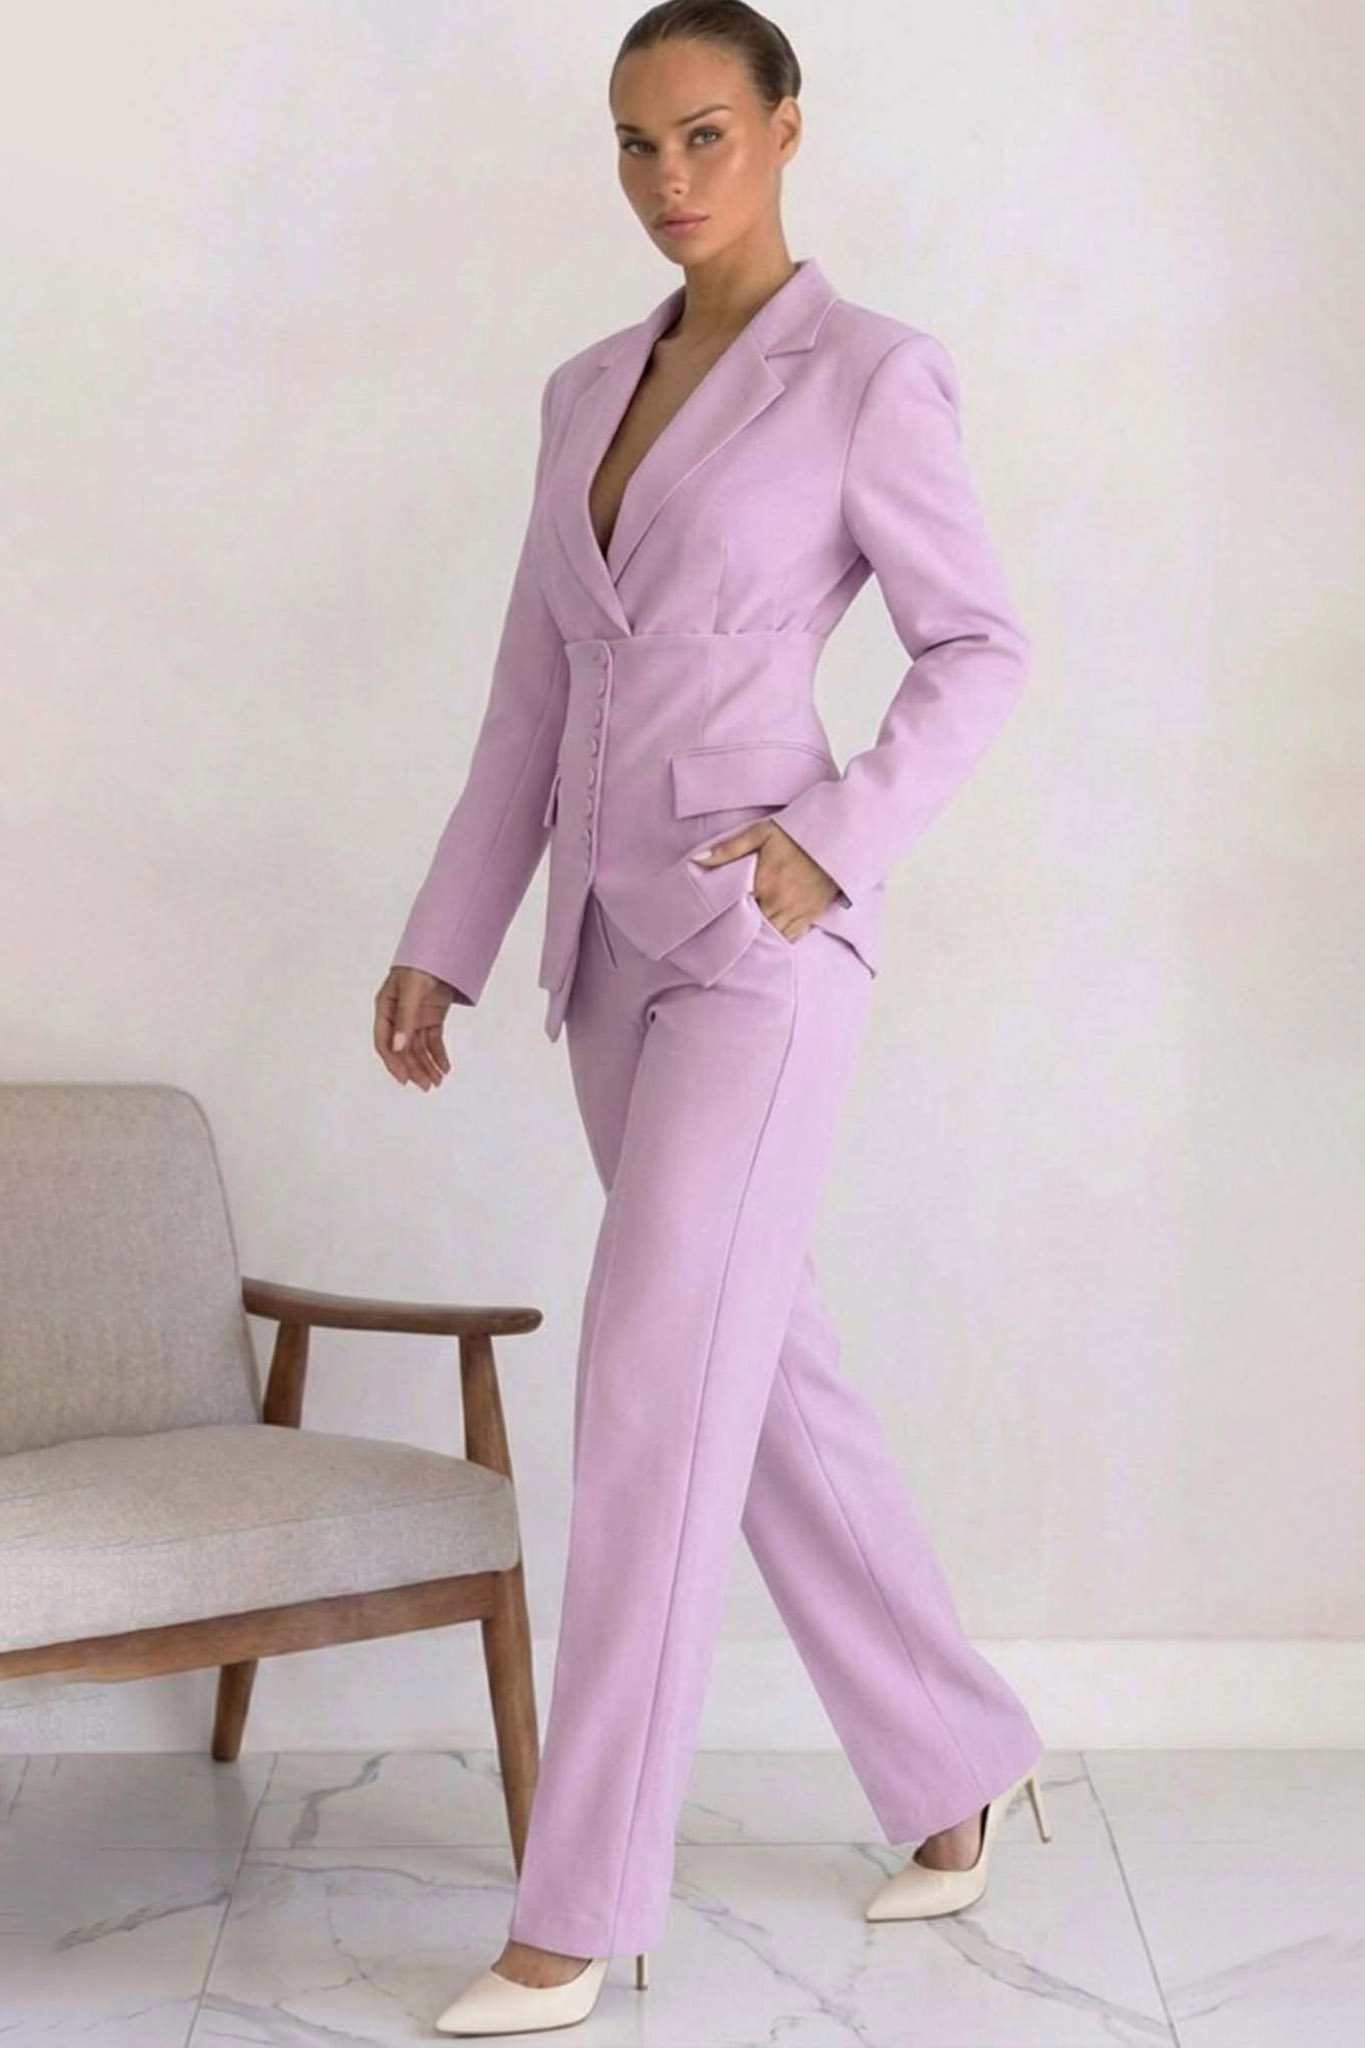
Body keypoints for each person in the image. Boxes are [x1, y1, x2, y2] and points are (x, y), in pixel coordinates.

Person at [373, 3, 1050, 2034]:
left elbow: (976, 646)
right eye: (633, 144)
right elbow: (531, 692)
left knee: (653, 1388)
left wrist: (831, 839)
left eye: (702, 136)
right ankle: (954, 1755)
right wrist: (448, 936)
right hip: (604, 955)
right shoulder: (584, 386)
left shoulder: (867, 373)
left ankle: (577, 1905)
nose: (667, 179)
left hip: (759, 946)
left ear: (781, 133)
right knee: (757, 1380)